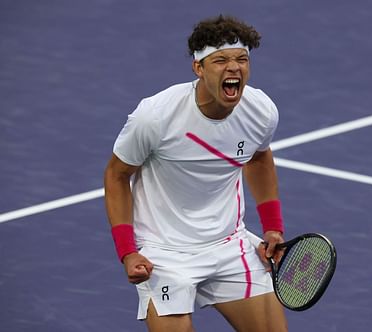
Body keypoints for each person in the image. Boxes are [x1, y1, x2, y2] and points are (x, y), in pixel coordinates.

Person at [104, 15, 288, 332]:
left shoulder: (261, 111)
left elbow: (259, 159)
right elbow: (117, 176)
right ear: (198, 68)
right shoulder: (155, 116)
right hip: (165, 255)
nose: (234, 68)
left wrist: (272, 228)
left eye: (241, 59)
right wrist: (127, 251)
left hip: (230, 245)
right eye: (220, 61)